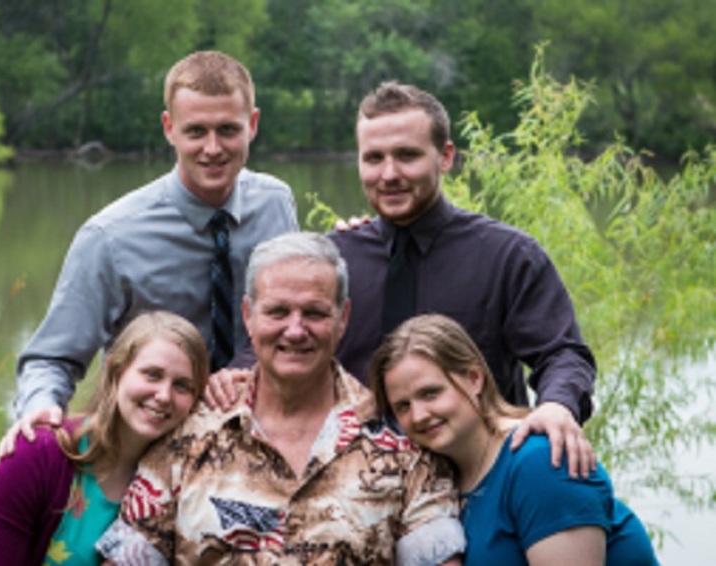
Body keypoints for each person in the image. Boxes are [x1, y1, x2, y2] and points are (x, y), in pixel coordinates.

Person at [96, 232, 466, 564]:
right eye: (277, 311)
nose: (295, 329)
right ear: (248, 315)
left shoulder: (400, 439)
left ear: (343, 318)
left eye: (314, 313)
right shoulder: (188, 434)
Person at [2, 50, 298, 453]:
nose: (213, 148)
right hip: (147, 450)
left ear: (253, 124)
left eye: (228, 129)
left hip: (257, 442)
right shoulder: (110, 237)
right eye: (196, 131)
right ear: (168, 128)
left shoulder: (276, 204)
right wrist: (42, 408)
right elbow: (52, 358)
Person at [329, 81, 597, 475]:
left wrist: (557, 406)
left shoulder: (507, 256)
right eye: (373, 158)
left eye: (407, 156)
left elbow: (562, 353)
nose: (389, 174)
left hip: (478, 484)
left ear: (446, 156)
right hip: (355, 489)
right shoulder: (332, 260)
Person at [369, 313, 659, 566]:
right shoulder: (437, 476)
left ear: (474, 378)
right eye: (402, 406)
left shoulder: (541, 462)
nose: (418, 415)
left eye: (430, 393)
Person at [0, 311, 210, 565]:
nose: (164, 395)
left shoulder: (185, 484)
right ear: (115, 371)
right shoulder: (37, 456)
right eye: (152, 374)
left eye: (182, 385)